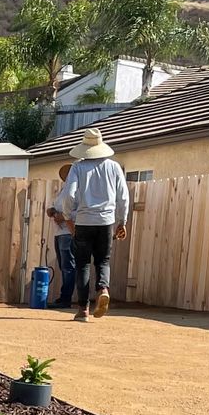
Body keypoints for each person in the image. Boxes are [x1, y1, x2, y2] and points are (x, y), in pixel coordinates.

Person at [55, 128, 129, 320]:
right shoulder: (113, 167)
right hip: (106, 221)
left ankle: (83, 310)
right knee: (103, 260)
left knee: (83, 265)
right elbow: (123, 196)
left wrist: (68, 217)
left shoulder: (78, 167)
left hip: (84, 221)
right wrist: (123, 221)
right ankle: (103, 288)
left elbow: (69, 196)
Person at [44, 162, 82, 311]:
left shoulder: (79, 191)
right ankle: (65, 297)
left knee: (68, 267)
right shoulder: (63, 190)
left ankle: (66, 298)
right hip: (60, 232)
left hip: (68, 231)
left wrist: (65, 217)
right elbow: (59, 206)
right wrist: (53, 210)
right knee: (64, 266)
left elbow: (81, 212)